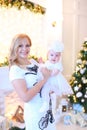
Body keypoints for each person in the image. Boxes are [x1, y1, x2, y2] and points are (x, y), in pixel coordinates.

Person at [9, 34, 57, 130]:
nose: (25, 49)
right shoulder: (15, 69)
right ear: (14, 48)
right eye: (20, 46)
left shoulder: (33, 62)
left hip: (48, 111)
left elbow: (42, 81)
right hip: (35, 114)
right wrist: (45, 80)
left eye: (27, 45)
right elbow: (25, 97)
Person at [38, 41, 73, 113]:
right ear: (48, 55)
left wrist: (46, 70)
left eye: (57, 55)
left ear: (59, 57)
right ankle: (45, 104)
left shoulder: (58, 65)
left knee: (51, 94)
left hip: (55, 83)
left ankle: (49, 106)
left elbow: (53, 73)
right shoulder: (47, 63)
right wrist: (41, 64)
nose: (54, 57)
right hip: (47, 81)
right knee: (44, 91)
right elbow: (43, 69)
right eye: (52, 55)